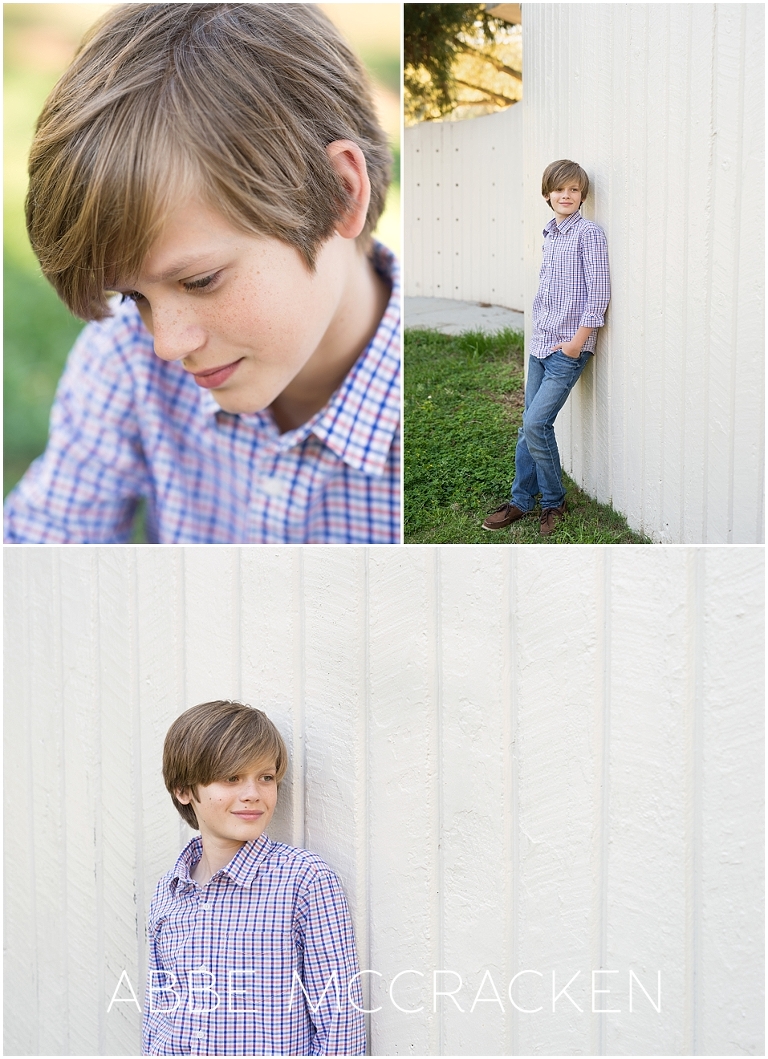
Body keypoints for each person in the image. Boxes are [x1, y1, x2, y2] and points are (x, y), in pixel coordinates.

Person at [4, 3, 399, 544]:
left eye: (200, 280)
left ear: (339, 195)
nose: (166, 343)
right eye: (133, 298)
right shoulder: (128, 360)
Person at [145, 700, 365, 1056]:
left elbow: (341, 1027)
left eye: (265, 777)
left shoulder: (303, 881)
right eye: (232, 778)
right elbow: (161, 1012)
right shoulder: (169, 892)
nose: (253, 794)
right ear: (184, 790)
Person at [483, 159, 610, 536]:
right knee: (527, 427)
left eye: (574, 189)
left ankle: (554, 502)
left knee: (536, 423)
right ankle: (521, 500)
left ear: (582, 195)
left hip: (568, 348)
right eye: (559, 189)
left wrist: (576, 343)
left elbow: (599, 293)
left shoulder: (589, 233)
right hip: (540, 343)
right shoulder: (551, 234)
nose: (566, 195)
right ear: (547, 194)